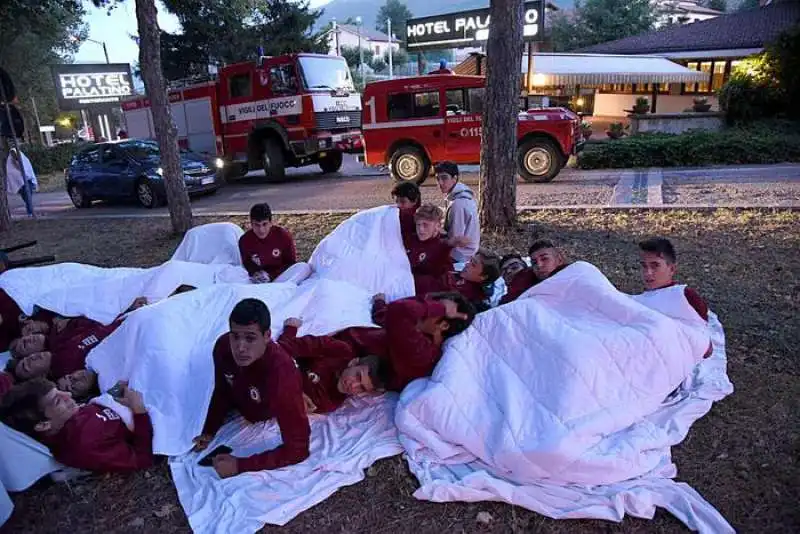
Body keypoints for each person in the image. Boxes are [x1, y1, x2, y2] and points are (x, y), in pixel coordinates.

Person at [193, 298, 309, 478]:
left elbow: (298, 449)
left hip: (278, 401)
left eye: (250, 338)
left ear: (267, 336)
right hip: (248, 403)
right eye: (235, 336)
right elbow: (222, 389)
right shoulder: (224, 347)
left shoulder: (281, 375)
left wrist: (241, 465)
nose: (240, 347)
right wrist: (209, 429)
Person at [0, 378, 154, 472]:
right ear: (43, 424)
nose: (68, 395)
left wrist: (115, 390)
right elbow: (142, 459)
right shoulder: (82, 445)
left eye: (60, 391)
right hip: (149, 415)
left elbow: (99, 405)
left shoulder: (67, 418)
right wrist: (139, 412)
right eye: (58, 400)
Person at [278, 318, 390, 414]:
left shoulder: (330, 402)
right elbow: (289, 347)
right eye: (357, 376)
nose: (353, 386)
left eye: (361, 388)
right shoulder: (339, 350)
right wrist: (290, 331)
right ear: (353, 362)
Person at [371, 292, 476, 391]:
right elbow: (386, 316)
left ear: (444, 326)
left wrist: (441, 308)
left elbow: (399, 310)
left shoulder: (422, 353)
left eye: (434, 308)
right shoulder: (418, 331)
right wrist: (379, 302)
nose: (426, 308)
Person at [639, 237, 708, 321]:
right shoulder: (641, 300)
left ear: (671, 269)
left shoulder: (685, 297)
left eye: (655, 266)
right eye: (644, 266)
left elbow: (703, 330)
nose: (648, 272)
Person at [405, 204, 465, 295]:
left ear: (437, 226)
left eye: (426, 225)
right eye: (418, 225)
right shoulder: (412, 240)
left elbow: (440, 253)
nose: (421, 229)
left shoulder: (441, 246)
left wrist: (450, 245)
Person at [238, 203, 297, 284]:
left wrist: (271, 275)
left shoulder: (283, 236)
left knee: (304, 267)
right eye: (256, 225)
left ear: (270, 223)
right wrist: (256, 272)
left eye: (264, 224)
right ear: (251, 224)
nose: (261, 230)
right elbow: (247, 262)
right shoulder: (244, 240)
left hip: (281, 276)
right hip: (259, 279)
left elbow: (291, 263)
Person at [435, 162, 479, 263]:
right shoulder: (461, 196)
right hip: (467, 251)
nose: (440, 183)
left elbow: (455, 238)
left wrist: (437, 231)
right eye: (438, 178)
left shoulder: (458, 203)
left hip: (460, 255)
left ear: (455, 178)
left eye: (444, 178)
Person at [5, 147, 38, 217]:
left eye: (14, 154)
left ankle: (30, 212)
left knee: (28, 197)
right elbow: (10, 172)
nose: (14, 155)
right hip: (19, 183)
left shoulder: (22, 158)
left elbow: (26, 168)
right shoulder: (10, 162)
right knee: (26, 197)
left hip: (27, 180)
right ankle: (30, 211)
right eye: (12, 154)